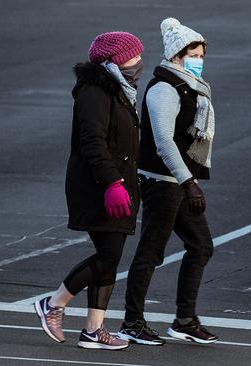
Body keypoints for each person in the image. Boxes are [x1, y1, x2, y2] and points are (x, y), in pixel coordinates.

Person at [34, 31, 144, 351]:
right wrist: (112, 183)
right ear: (114, 61)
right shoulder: (95, 91)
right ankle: (53, 304)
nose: (138, 63)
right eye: (133, 57)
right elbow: (93, 142)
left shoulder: (121, 90)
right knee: (108, 255)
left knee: (111, 256)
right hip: (99, 186)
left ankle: (93, 331)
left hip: (119, 184)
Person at [117, 18, 217, 345]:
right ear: (176, 55)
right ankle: (132, 322)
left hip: (177, 181)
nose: (198, 61)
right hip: (162, 182)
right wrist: (189, 182)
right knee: (151, 252)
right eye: (193, 55)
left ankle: (185, 320)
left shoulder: (189, 85)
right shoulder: (164, 88)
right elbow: (163, 142)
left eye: (202, 56)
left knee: (200, 246)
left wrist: (187, 181)